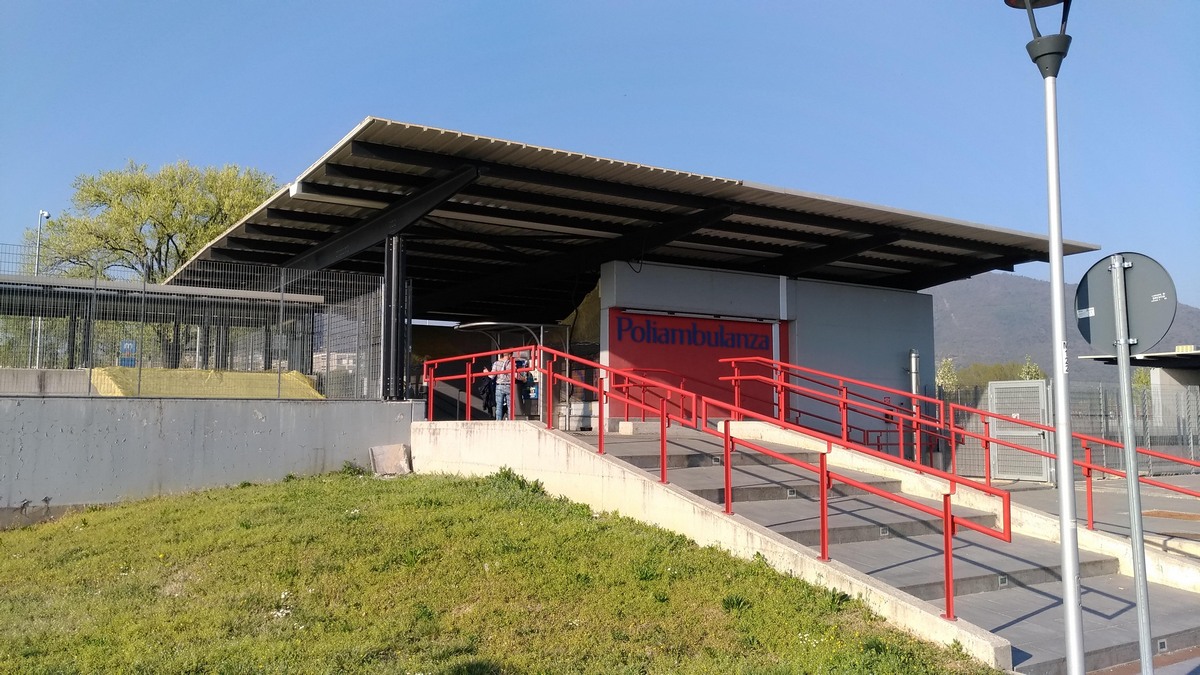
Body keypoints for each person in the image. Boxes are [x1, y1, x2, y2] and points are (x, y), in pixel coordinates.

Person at [490, 351, 514, 421]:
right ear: (509, 355)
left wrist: (486, 372)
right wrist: (523, 379)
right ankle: (511, 421)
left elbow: (492, 376)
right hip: (509, 386)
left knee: (499, 406)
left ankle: (498, 422)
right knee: (510, 406)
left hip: (499, 386)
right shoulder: (512, 363)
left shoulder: (496, 363)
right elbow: (515, 375)